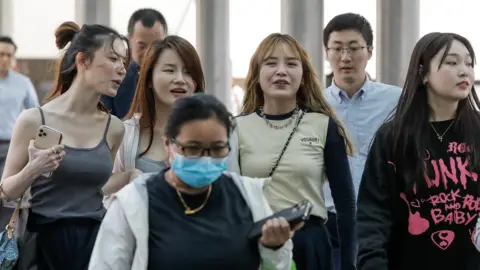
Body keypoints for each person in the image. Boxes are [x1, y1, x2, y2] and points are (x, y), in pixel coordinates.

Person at [89, 93, 299, 270]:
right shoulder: (133, 202)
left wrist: (274, 246)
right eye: (192, 148)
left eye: (218, 148)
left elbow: (278, 265)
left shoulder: (247, 195)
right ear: (168, 145)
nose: (206, 158)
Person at [0, 21, 128, 269]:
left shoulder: (114, 128)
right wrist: (33, 169)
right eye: (113, 59)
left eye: (124, 61)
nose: (122, 69)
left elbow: (95, 186)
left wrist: (129, 177)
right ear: (83, 61)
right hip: (43, 245)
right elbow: (5, 192)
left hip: (95, 244)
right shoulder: (34, 120)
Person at [228, 33, 356, 270]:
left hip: (310, 243)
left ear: (304, 76)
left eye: (291, 63)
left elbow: (345, 203)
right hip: (257, 242)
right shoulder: (236, 128)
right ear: (256, 75)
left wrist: (349, 263)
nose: (281, 71)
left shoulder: (323, 125)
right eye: (270, 63)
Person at [357, 32, 480, 270]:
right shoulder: (394, 137)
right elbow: (373, 212)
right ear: (423, 73)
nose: (464, 71)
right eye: (452, 62)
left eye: (469, 63)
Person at [322, 13, 402, 269]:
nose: (345, 57)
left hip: (380, 220)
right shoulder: (314, 105)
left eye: (354, 48)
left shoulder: (397, 101)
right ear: (327, 52)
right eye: (337, 48)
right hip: (329, 222)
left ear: (369, 51)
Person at [103, 35, 205, 196]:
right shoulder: (126, 132)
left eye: (188, 72)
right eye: (169, 70)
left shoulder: (214, 134)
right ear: (149, 78)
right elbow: (107, 196)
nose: (180, 79)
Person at [0, 36, 40, 229]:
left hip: (11, 147)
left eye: (9, 55)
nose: (5, 59)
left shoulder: (22, 83)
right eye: (1, 54)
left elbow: (35, 112)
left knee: (8, 198)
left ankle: (5, 245)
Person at [101, 8, 168, 118]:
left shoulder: (180, 77)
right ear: (129, 40)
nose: (149, 53)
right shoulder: (112, 79)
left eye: (156, 45)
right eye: (142, 46)